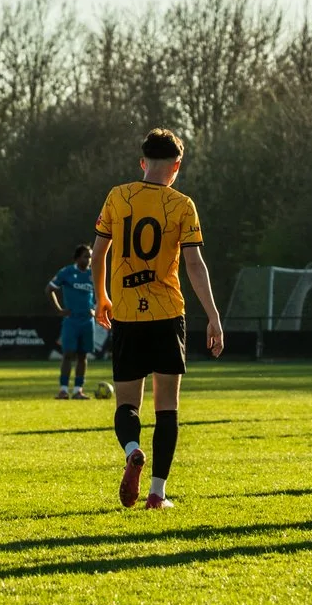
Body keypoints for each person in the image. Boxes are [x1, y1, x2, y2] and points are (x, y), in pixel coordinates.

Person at [91, 128, 226, 511]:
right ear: (176, 167)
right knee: (167, 407)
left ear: (143, 163)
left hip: (128, 314)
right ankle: (157, 493)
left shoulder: (118, 197)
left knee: (127, 404)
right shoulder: (182, 205)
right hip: (167, 314)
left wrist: (101, 296)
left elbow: (99, 254)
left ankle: (132, 449)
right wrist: (214, 316)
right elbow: (195, 264)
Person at [47, 244, 96, 398]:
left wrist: (95, 309)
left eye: (90, 256)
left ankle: (78, 390)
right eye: (86, 256)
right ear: (77, 258)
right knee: (68, 354)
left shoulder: (94, 274)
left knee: (83, 356)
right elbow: (49, 289)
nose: (89, 259)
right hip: (71, 321)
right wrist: (59, 310)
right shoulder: (67, 272)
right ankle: (63, 390)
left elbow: (101, 295)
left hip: (88, 321)